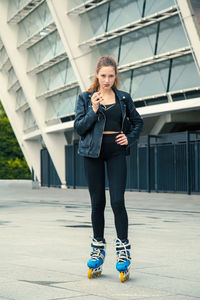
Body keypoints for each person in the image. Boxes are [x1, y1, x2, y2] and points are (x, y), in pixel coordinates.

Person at [74, 56, 143, 282]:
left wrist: (129, 138)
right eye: (103, 75)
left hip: (116, 151)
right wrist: (93, 109)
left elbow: (138, 122)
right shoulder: (85, 98)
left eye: (111, 76)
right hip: (91, 153)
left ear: (116, 76)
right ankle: (98, 248)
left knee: (117, 201)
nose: (107, 80)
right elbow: (79, 128)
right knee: (97, 202)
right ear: (96, 75)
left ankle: (123, 250)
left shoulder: (124, 98)